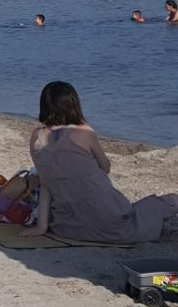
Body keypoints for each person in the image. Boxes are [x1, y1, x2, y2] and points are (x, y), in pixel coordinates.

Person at [21, 81, 178, 243]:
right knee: (168, 202)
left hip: (68, 227)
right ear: (73, 105)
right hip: (110, 222)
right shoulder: (83, 132)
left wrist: (41, 227)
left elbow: (46, 185)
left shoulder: (35, 138)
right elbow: (106, 167)